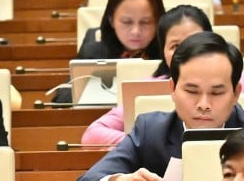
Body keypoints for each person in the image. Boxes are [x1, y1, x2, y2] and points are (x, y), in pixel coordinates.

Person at [78, 32, 244, 181]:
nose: (203, 105)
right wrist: (120, 180)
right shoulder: (150, 132)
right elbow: (89, 178)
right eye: (192, 91)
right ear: (172, 89)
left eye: (216, 93)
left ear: (236, 93)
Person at [81, 5, 213, 145]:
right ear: (163, 51)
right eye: (175, 46)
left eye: (194, 42)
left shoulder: (233, 80)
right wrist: (144, 144)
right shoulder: (146, 89)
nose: (186, 52)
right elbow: (92, 134)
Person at [53, 0, 165, 104]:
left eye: (145, 22)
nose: (136, 31)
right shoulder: (94, 48)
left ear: (158, 21)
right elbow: (62, 99)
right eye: (127, 22)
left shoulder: (168, 50)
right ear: (111, 20)